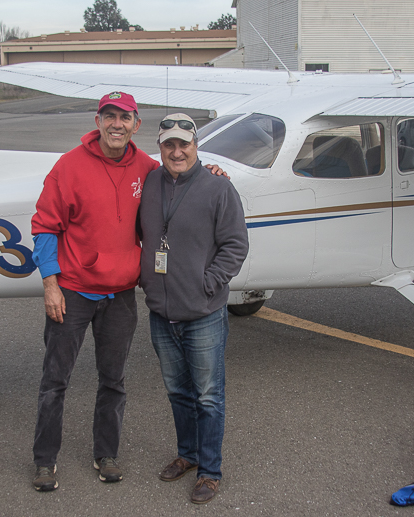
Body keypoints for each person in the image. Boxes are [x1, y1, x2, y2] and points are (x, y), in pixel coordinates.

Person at [30, 93, 224, 492]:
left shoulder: (148, 169)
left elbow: (182, 174)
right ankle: (45, 461)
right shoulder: (68, 166)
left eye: (125, 118)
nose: (117, 124)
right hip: (73, 291)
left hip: (119, 295)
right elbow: (44, 226)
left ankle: (106, 455)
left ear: (136, 125)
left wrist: (214, 173)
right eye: (109, 116)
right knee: (55, 381)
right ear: (98, 121)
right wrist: (51, 284)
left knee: (113, 381)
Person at [138, 113, 249, 504]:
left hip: (203, 313)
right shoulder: (150, 182)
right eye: (169, 144)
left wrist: (208, 284)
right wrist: (146, 279)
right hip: (160, 312)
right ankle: (187, 454)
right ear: (161, 147)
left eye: (184, 143)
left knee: (208, 397)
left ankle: (210, 470)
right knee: (177, 392)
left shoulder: (218, 188)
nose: (177, 151)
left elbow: (236, 245)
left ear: (196, 146)